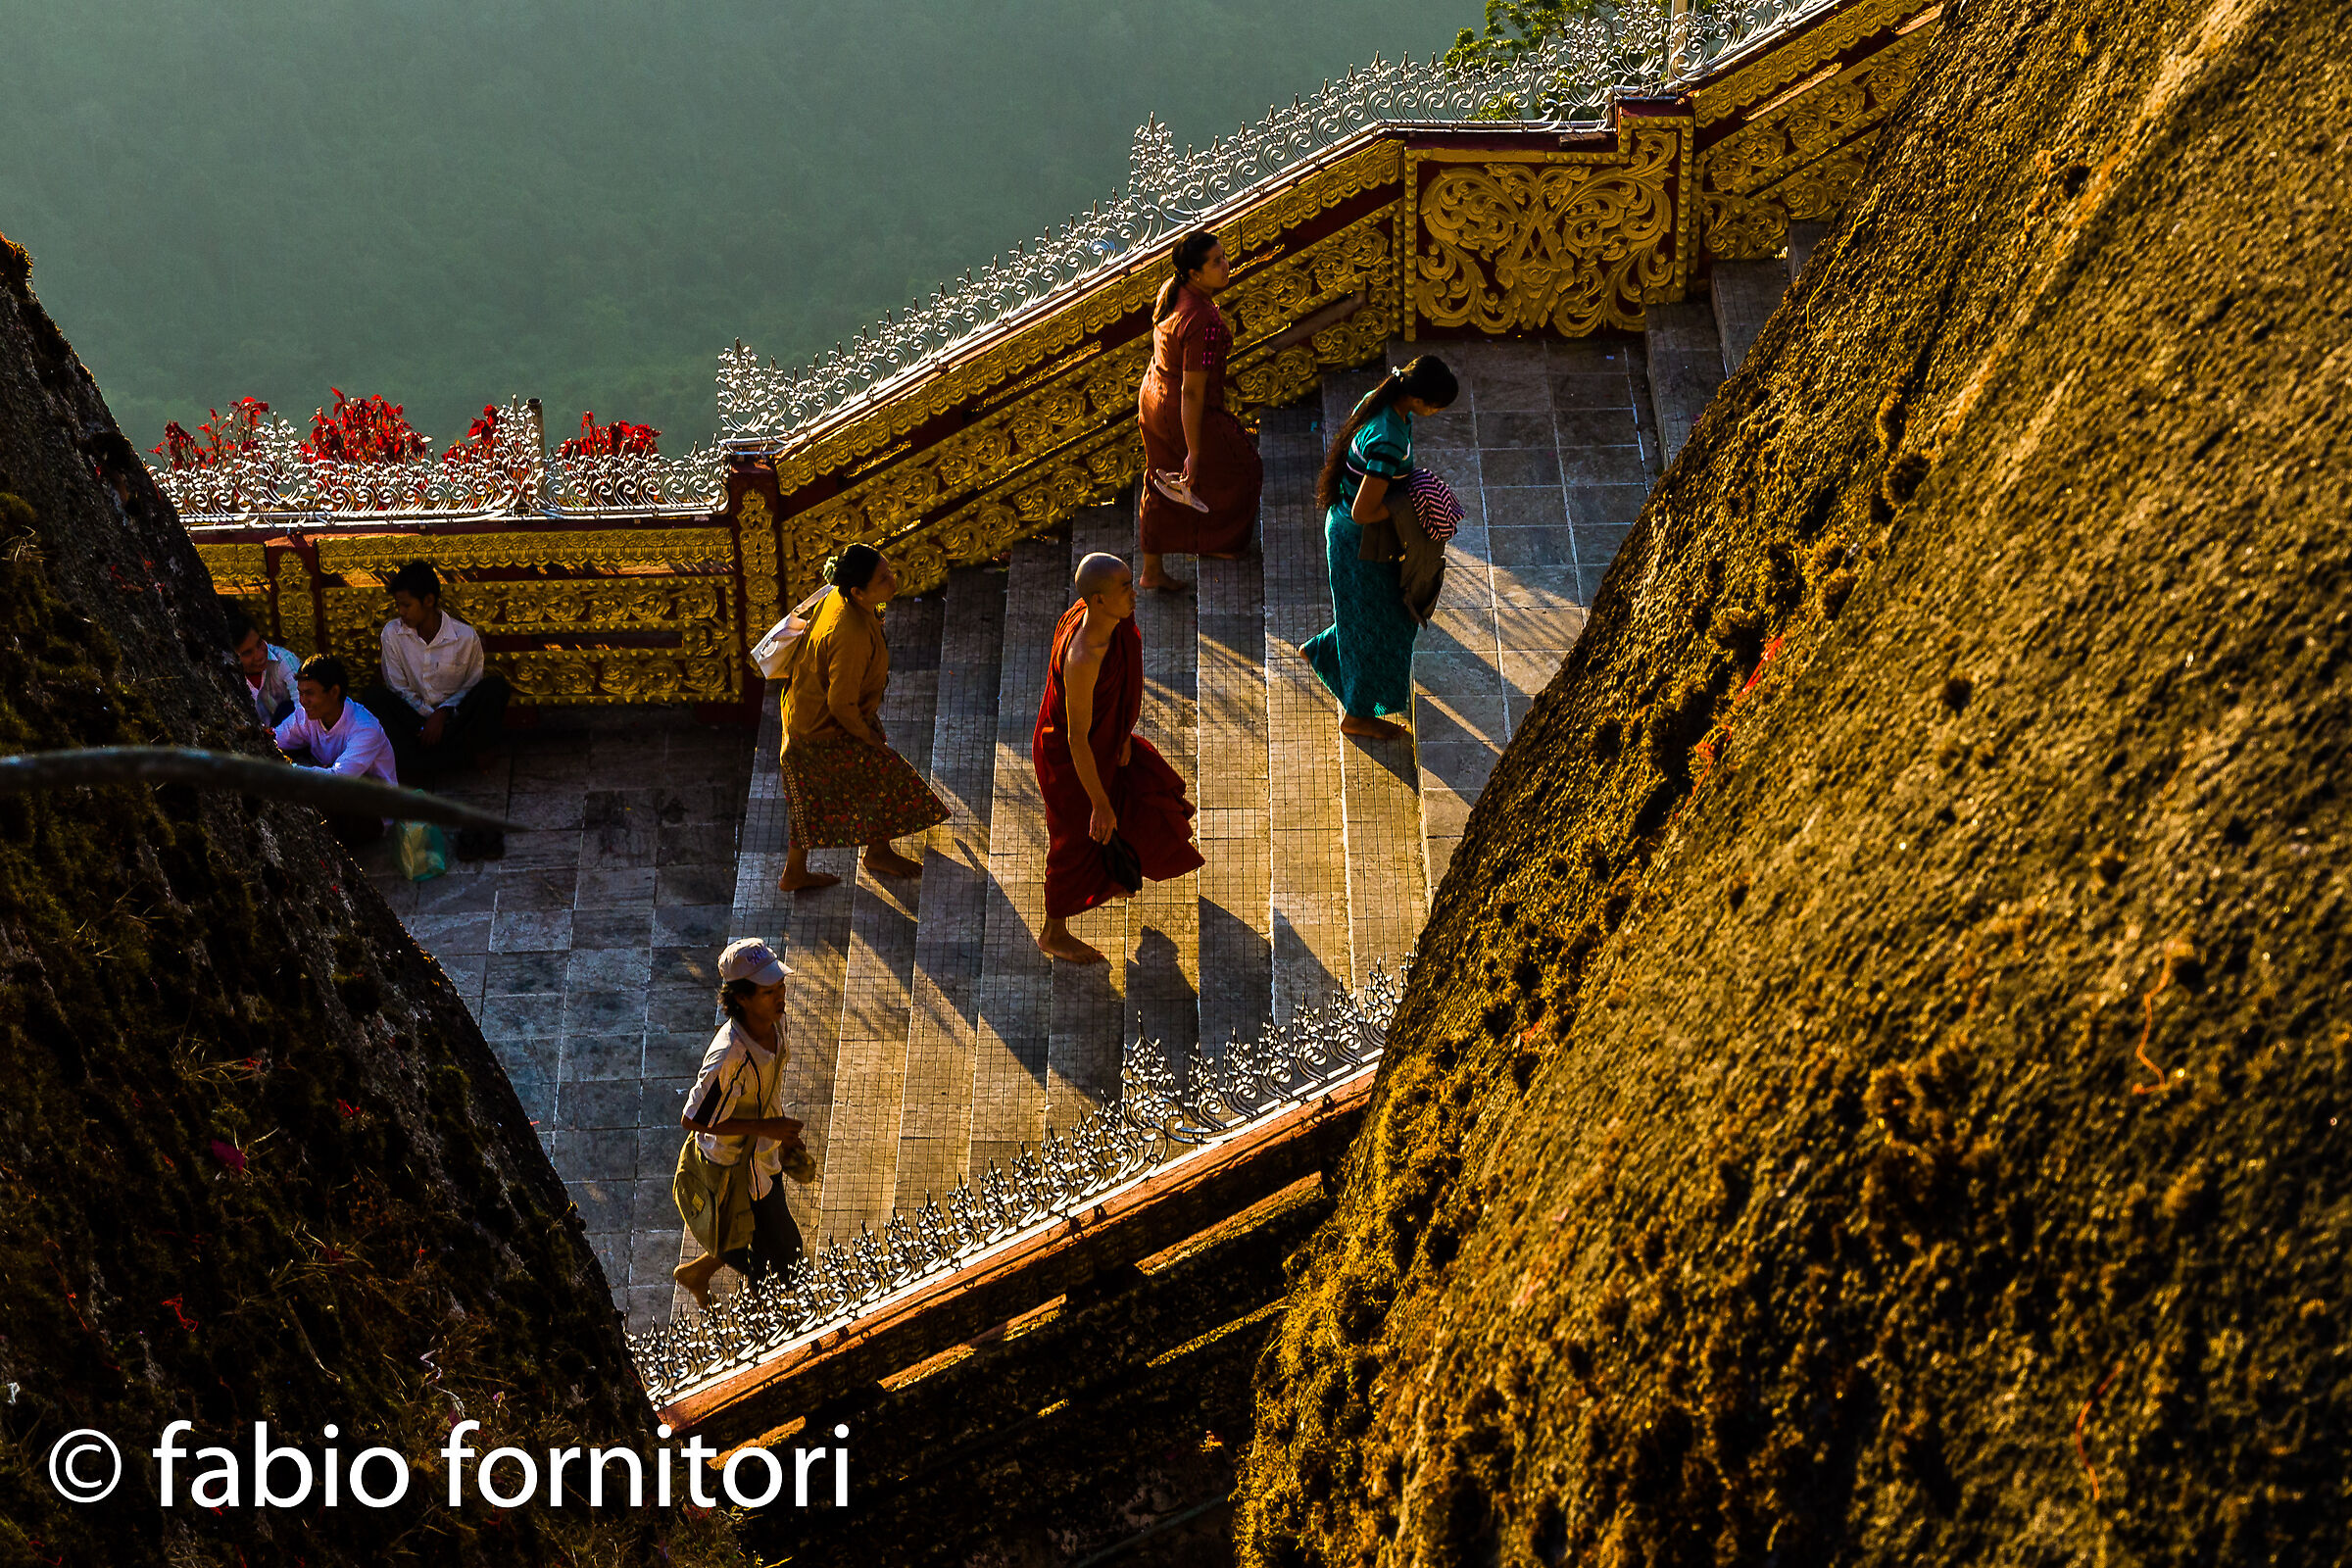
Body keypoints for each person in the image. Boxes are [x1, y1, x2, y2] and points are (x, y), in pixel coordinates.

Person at [1032, 553, 1205, 964]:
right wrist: (1098, 802)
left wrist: (1123, 733)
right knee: (1076, 841)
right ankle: (1053, 931)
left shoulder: (1109, 621)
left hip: (1108, 741)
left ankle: (1116, 875)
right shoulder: (1084, 658)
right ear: (1096, 600)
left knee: (1139, 797)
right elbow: (1076, 739)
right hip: (1072, 761)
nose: (1134, 594)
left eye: (1130, 582)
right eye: (1124, 588)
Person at [1301, 356, 1461, 743]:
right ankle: (1359, 714)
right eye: (1437, 406)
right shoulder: (1389, 437)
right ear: (1421, 401)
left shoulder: (1382, 400)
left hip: (1346, 530)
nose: (1436, 413)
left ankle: (1324, 651)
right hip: (1358, 540)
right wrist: (1410, 502)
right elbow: (1366, 509)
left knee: (1367, 615)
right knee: (1387, 624)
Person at [775, 544, 951, 894]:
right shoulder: (849, 634)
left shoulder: (842, 598)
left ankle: (866, 853)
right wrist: (867, 738)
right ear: (857, 591)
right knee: (883, 777)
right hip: (823, 729)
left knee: (831, 792)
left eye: (888, 570)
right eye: (883, 578)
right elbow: (840, 703)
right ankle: (869, 855)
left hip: (817, 714)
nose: (892, 579)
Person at [672, 939, 808, 1310]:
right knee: (786, 1253)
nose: (779, 996)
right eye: (768, 991)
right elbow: (694, 1117)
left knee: (762, 1244)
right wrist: (769, 1128)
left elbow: (766, 1087)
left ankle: (702, 1276)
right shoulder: (729, 1054)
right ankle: (767, 1320)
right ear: (742, 998)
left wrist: (781, 1135)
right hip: (736, 1168)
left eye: (780, 987)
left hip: (762, 1156)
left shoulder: (774, 1023)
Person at [1136, 230, 1262, 592]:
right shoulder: (1202, 321)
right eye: (1216, 262)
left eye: (1224, 256)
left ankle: (1152, 570)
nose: (1226, 266)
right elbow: (1192, 392)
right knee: (1244, 467)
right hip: (1181, 407)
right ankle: (1220, 542)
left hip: (1154, 395)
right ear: (1194, 274)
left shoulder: (1172, 289)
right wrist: (1193, 450)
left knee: (1160, 480)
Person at [356, 560, 511, 781]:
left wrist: (442, 713)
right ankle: (454, 759)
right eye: (399, 606)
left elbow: (470, 685)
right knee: (374, 697)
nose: (401, 612)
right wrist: (427, 718)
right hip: (416, 722)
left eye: (406, 605)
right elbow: (397, 687)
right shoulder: (392, 634)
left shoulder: (465, 637)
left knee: (495, 688)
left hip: (453, 720)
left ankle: (425, 762)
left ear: (428, 601)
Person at [271, 655, 399, 844]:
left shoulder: (365, 728)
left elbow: (337, 779)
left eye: (310, 694)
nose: (303, 701)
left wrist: (288, 771)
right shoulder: (307, 715)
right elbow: (275, 738)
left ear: (334, 692)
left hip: (371, 813)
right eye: (301, 693)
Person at [221, 604, 302, 726]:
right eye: (247, 653)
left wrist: (274, 737)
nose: (259, 656)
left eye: (259, 644)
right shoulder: (224, 677)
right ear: (231, 656)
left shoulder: (284, 660)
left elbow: (304, 713)